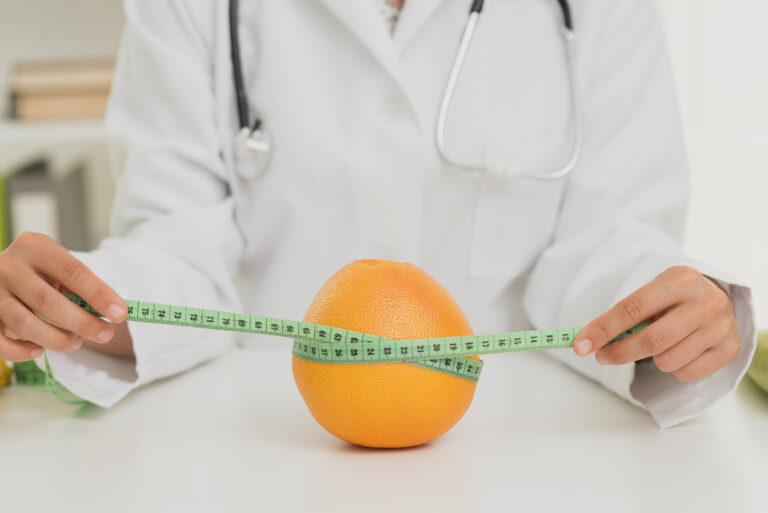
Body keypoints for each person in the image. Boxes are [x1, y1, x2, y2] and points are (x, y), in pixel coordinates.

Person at [0, 0, 755, 428]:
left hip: (528, 436)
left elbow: (608, 236)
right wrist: (84, 299)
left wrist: (670, 314)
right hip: (258, 440)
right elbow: (179, 238)